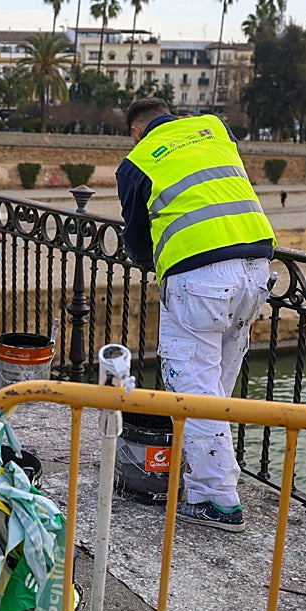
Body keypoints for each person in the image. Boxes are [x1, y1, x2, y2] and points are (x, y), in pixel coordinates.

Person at [116, 97, 275, 533]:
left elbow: (137, 242)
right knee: (217, 385)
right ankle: (203, 473)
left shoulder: (137, 162)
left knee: (194, 388)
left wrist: (158, 260)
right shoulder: (214, 127)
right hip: (256, 266)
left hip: (199, 277)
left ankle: (217, 500)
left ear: (136, 132)